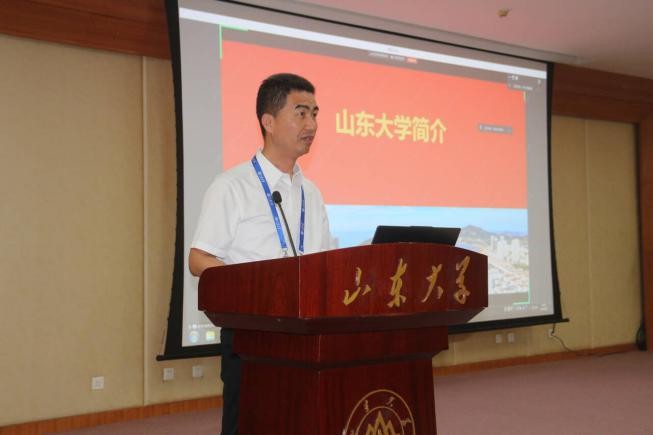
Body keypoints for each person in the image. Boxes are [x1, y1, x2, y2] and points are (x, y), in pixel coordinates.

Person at [188, 73, 333, 435]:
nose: (312, 124)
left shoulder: (312, 193)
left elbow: (325, 260)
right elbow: (199, 259)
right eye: (301, 113)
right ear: (268, 121)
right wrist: (256, 285)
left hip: (306, 336)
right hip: (252, 337)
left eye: (315, 113)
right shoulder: (232, 186)